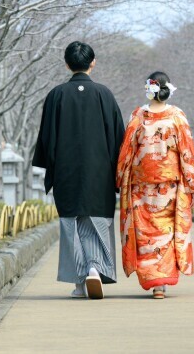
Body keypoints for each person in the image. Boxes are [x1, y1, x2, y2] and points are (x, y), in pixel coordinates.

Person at [33, 41, 125, 299]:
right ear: (92, 62)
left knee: (71, 223)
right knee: (96, 221)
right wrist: (117, 171)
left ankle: (79, 281)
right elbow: (118, 137)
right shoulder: (104, 94)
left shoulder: (56, 95)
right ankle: (95, 268)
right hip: (100, 173)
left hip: (66, 171)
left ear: (66, 64)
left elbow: (47, 137)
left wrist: (51, 169)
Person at [116, 71, 194, 299]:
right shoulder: (177, 116)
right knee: (166, 233)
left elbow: (126, 152)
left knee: (145, 233)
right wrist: (193, 184)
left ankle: (153, 279)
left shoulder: (137, 116)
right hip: (171, 187)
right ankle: (161, 284)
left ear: (148, 88)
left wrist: (119, 179)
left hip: (141, 188)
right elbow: (188, 152)